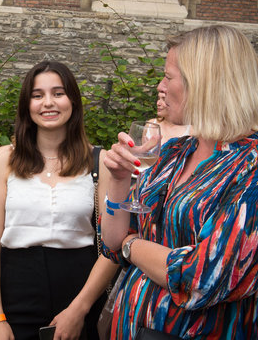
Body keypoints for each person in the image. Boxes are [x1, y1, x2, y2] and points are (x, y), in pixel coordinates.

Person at [101, 25, 258, 339]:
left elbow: (202, 278)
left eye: (168, 76)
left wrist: (134, 246)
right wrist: (118, 182)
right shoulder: (174, 151)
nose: (160, 86)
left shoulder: (249, 167)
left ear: (203, 84)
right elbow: (112, 243)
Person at [0, 61, 118, 340]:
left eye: (58, 93)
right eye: (37, 95)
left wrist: (79, 309)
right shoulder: (3, 159)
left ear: (73, 101)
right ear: (26, 105)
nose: (48, 103)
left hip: (81, 289)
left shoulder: (100, 161)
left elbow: (113, 245)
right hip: (16, 288)